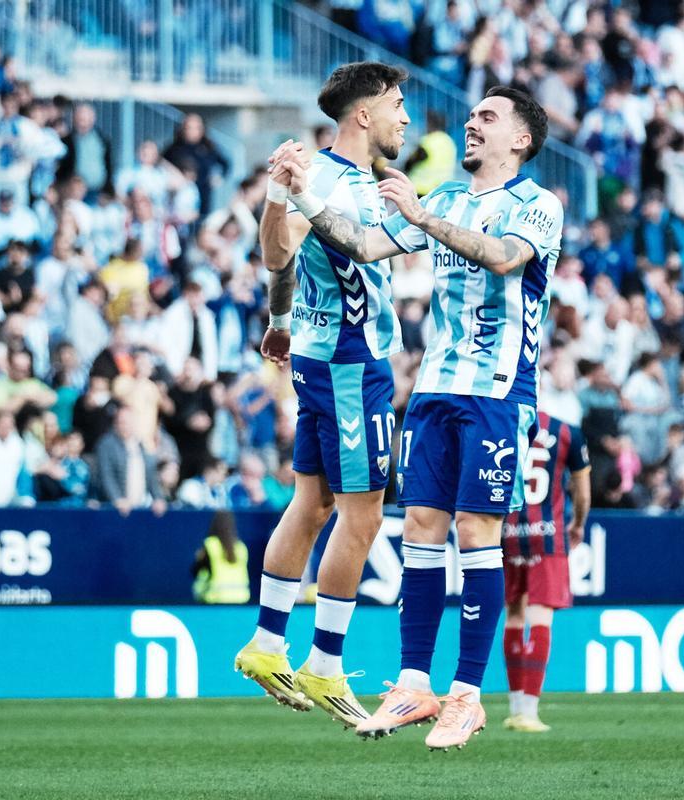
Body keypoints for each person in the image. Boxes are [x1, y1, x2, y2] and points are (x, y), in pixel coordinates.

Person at [277, 85, 561, 750]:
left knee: (476, 530)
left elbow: (503, 257)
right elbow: (364, 244)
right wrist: (305, 196)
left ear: (521, 139)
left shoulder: (538, 204)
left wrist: (421, 217)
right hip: (433, 388)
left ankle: (466, 696)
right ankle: (413, 685)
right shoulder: (447, 197)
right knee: (422, 529)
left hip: (498, 392)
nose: (472, 123)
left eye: (488, 117)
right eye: (472, 114)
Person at [234, 62, 411, 729]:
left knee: (311, 505)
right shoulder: (335, 180)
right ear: (364, 114)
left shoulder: (336, 177)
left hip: (315, 354)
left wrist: (280, 320)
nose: (405, 118)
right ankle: (326, 661)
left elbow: (279, 260)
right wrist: (283, 197)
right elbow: (307, 248)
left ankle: (266, 643)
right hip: (350, 363)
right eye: (397, 105)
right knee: (362, 517)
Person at [501, 411, 591, 733]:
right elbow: (582, 492)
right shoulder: (566, 431)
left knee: (514, 616)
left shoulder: (504, 423)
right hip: (549, 535)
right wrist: (578, 523)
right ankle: (529, 711)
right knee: (540, 618)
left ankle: (514, 708)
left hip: (509, 531)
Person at [192, 510, 250, 604]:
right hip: (241, 598)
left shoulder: (210, 544)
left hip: (217, 599)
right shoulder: (241, 547)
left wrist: (199, 558)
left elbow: (195, 571)